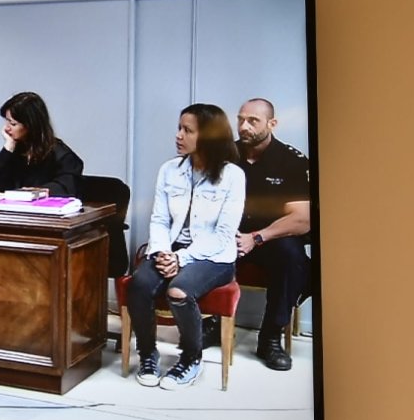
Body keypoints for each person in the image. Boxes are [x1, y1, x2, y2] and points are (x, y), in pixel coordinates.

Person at [128, 103, 244, 390]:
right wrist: (162, 252)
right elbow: (159, 220)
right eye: (179, 128)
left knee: (178, 291)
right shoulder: (169, 170)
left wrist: (181, 258)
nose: (178, 135)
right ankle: (147, 354)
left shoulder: (232, 176)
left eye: (187, 130)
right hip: (171, 249)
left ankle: (192, 358)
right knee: (139, 285)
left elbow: (224, 234)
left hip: (214, 256)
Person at [233, 98, 311, 372]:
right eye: (241, 119)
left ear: (272, 124)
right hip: (231, 234)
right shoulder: (226, 155)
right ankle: (210, 321)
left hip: (272, 238)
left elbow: (302, 220)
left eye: (252, 121)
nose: (244, 126)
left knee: (292, 257)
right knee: (206, 246)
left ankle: (271, 337)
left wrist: (256, 238)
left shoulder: (291, 160)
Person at [0, 91, 84, 197]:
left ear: (30, 125)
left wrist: (36, 192)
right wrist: (8, 147)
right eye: (7, 121)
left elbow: (68, 187)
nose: (7, 128)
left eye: (13, 124)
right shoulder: (14, 151)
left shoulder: (61, 155)